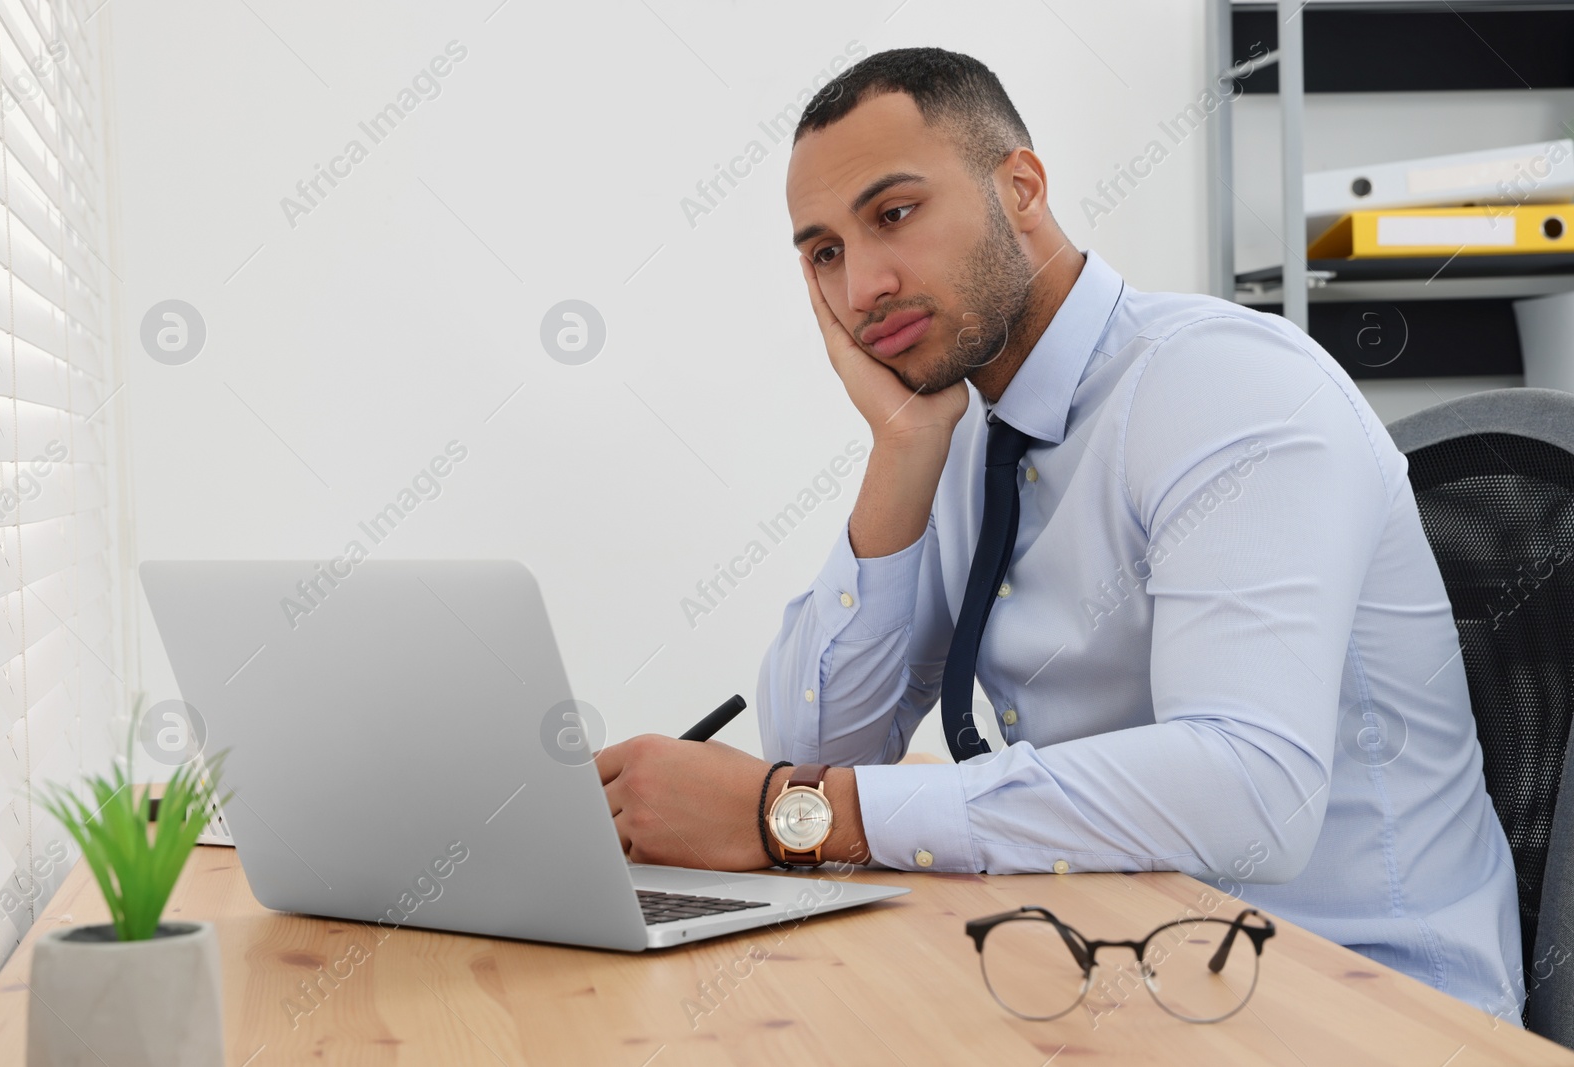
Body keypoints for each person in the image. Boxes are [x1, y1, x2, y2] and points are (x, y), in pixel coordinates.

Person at [594, 47, 1522, 1021]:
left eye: (893, 214)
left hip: (1363, 999)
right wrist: (900, 450)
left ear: (1021, 187)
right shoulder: (956, 428)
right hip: (1132, 955)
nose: (862, 283)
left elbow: (1253, 791)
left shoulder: (1228, 392)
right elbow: (817, 744)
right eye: (823, 251)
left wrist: (808, 812)